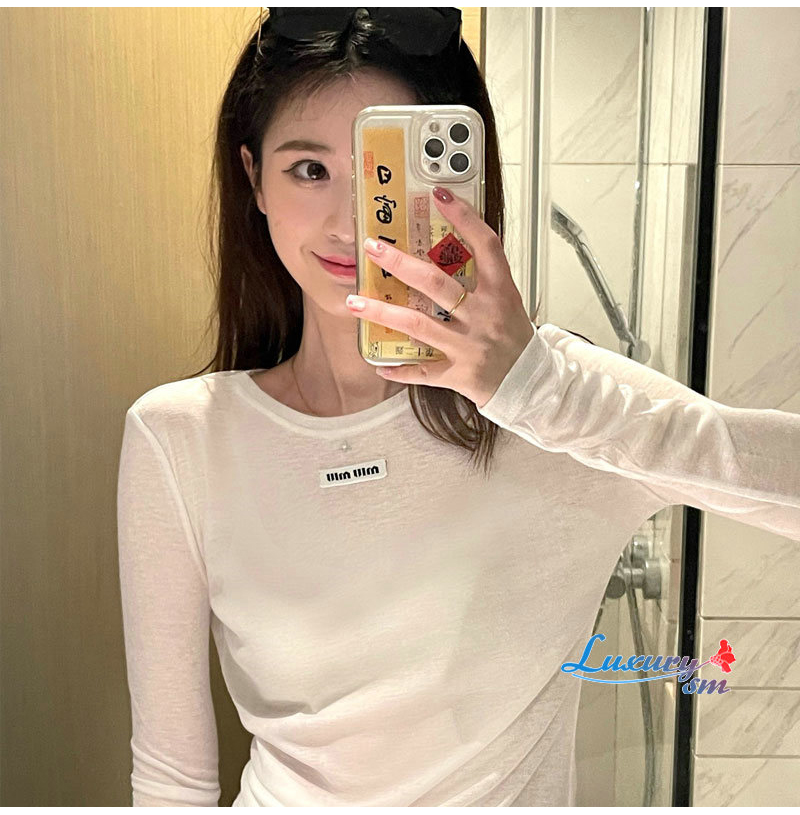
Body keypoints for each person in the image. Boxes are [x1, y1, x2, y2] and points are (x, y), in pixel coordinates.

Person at [116, 7, 800, 807]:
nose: (352, 224)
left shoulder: (555, 404)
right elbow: (171, 779)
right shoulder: (181, 437)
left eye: (384, 174)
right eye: (309, 170)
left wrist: (540, 392)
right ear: (253, 179)